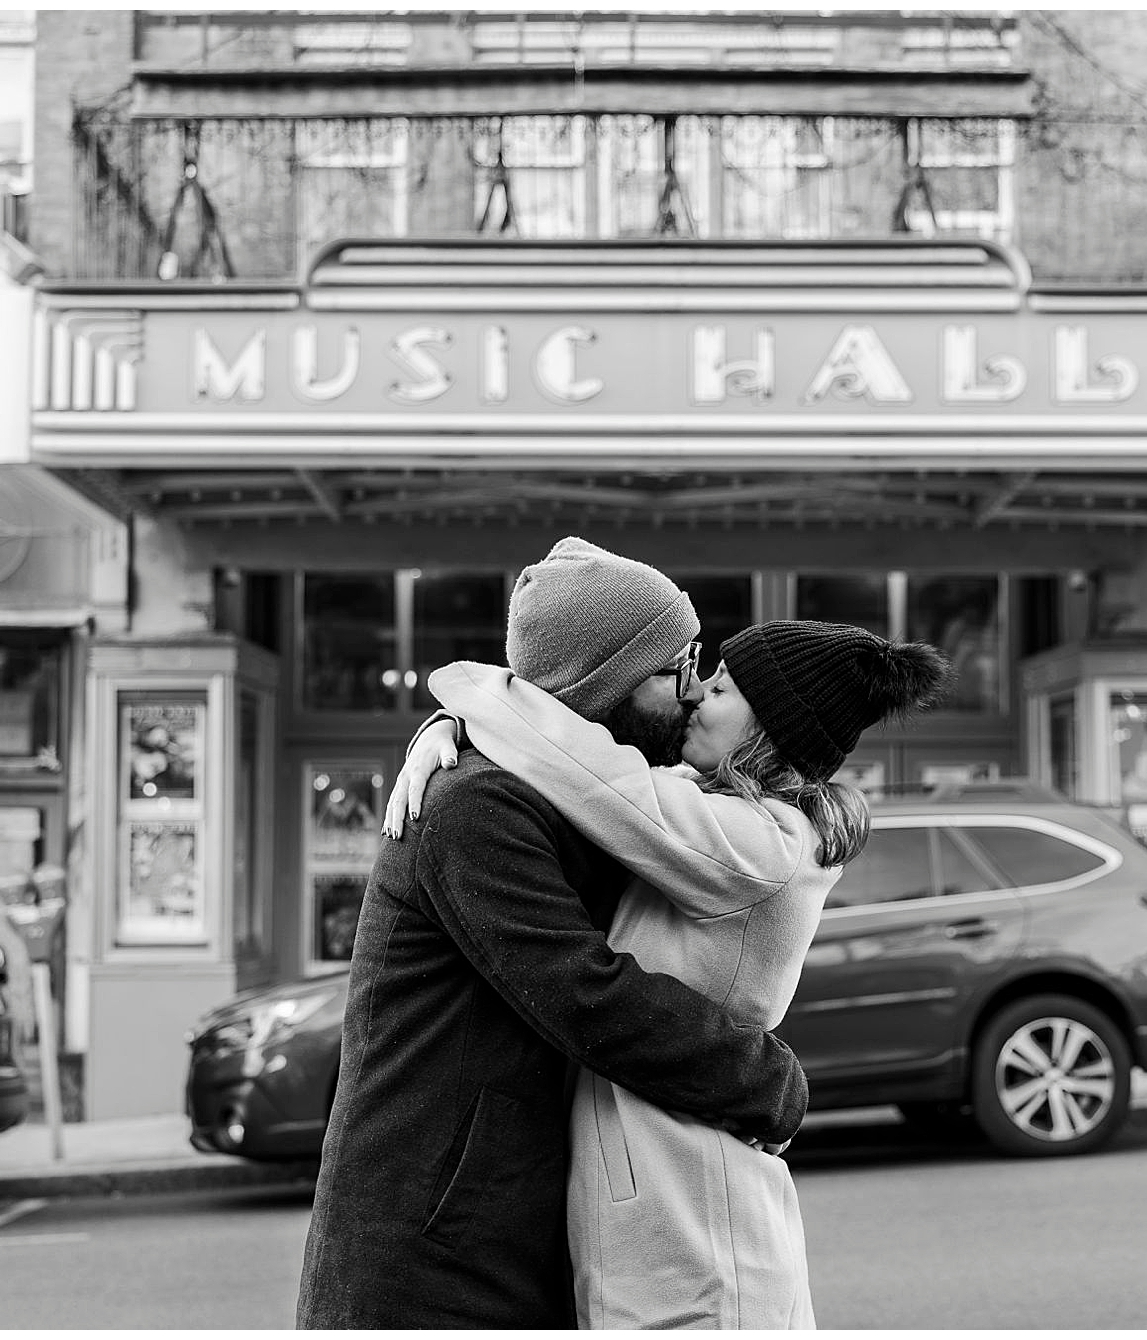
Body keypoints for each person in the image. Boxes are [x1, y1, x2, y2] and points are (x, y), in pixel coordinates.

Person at [295, 538, 811, 1330]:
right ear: (607, 686)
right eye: (677, 671)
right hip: (427, 1259)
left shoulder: (579, 798)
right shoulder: (475, 808)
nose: (692, 693)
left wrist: (455, 716)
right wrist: (764, 1080)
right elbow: (578, 990)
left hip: (510, 1228)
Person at [389, 619, 951, 1328]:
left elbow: (587, 770)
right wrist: (450, 730)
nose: (696, 697)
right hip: (668, 1215)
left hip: (699, 1242)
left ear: (768, 729)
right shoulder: (717, 813)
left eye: (721, 687)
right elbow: (577, 766)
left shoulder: (757, 845)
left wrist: (469, 696)